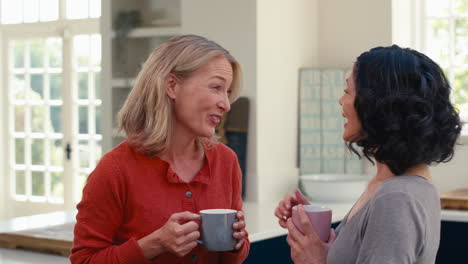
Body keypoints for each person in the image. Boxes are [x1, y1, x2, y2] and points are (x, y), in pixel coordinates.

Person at [70, 34, 249, 263]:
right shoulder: (115, 170)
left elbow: (233, 258)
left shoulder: (226, 161)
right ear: (172, 86)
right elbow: (84, 260)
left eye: (228, 92)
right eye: (216, 87)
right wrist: (153, 245)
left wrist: (236, 244)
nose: (226, 103)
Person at [275, 45, 462, 264]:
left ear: (378, 105)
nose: (341, 101)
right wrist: (314, 225)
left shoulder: (396, 198)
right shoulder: (395, 184)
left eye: (347, 91)